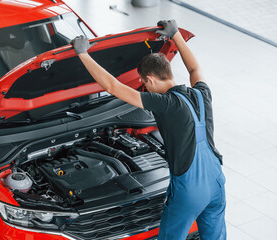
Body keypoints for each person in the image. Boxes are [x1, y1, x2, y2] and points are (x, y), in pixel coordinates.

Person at [71, 20, 226, 240]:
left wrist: (83, 54)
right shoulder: (202, 94)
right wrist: (176, 36)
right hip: (216, 181)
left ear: (150, 79)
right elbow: (194, 69)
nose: (145, 87)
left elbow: (113, 87)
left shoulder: (166, 103)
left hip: (191, 189)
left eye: (144, 83)